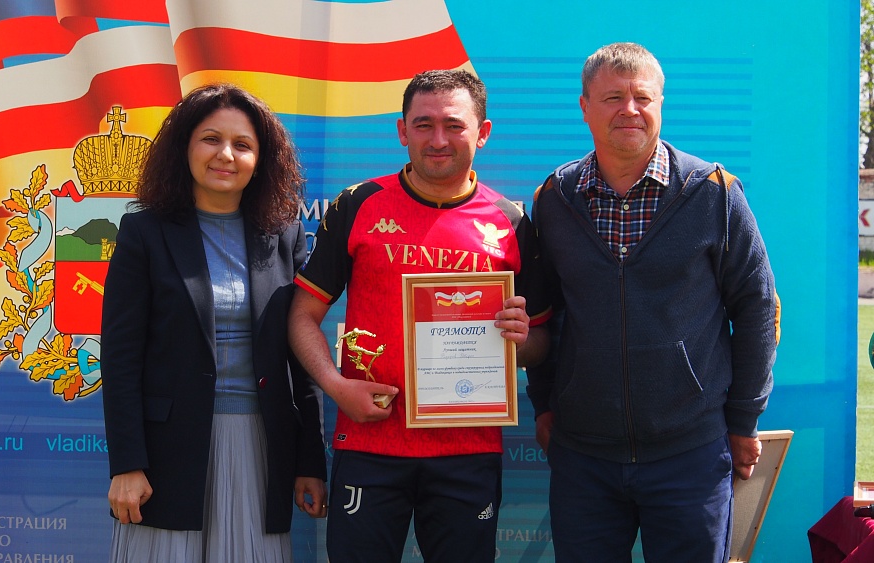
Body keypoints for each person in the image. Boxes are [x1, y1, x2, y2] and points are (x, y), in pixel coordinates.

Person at [528, 42, 780, 562]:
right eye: (613, 98)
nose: (630, 110)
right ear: (584, 106)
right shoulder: (554, 199)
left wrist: (743, 420)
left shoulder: (714, 192)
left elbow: (757, 307)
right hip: (583, 457)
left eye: (642, 97)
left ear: (661, 103)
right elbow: (542, 314)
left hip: (691, 454)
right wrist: (546, 403)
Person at [289, 69, 551, 562]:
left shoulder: (512, 222)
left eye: (454, 125)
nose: (438, 140)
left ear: (483, 132)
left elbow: (541, 343)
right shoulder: (358, 205)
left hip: (468, 451)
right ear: (401, 130)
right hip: (369, 443)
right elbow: (303, 315)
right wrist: (336, 386)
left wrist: (521, 340)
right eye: (423, 124)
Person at [101, 83, 328, 563]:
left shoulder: (284, 237)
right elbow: (120, 359)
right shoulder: (144, 232)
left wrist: (311, 460)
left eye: (242, 145)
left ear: (260, 161)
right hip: (167, 456)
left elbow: (301, 357)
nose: (226, 154)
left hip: (260, 448)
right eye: (210, 139)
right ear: (184, 147)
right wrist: (127, 464)